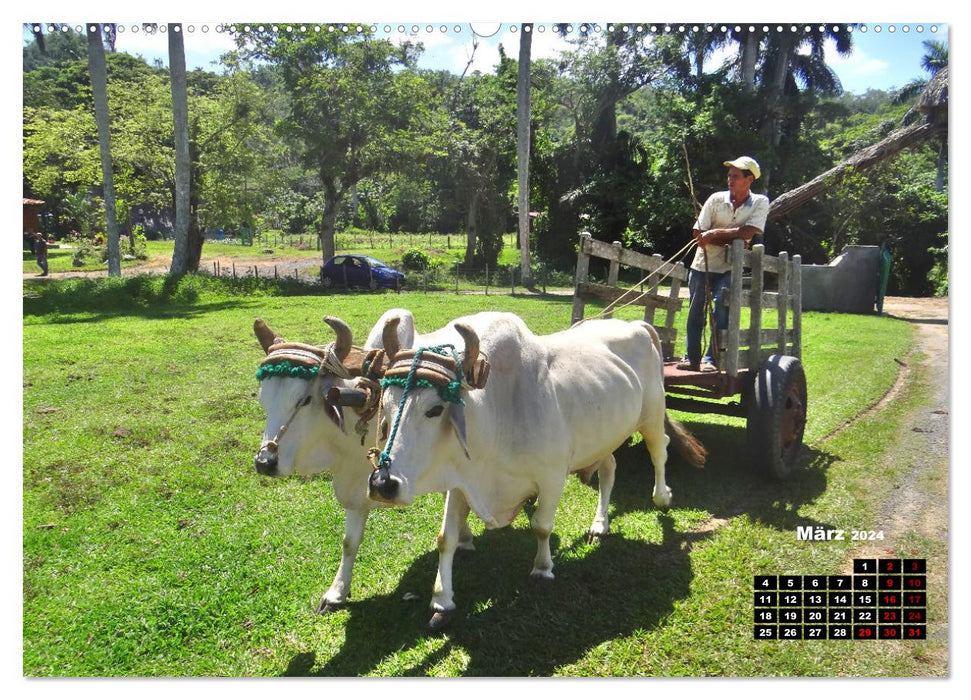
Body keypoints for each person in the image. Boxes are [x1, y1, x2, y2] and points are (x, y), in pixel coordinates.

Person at [677, 156, 769, 372]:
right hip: (702, 265)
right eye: (729, 175)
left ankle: (711, 359)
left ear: (749, 179)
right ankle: (691, 358)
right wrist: (733, 239)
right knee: (695, 311)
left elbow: (748, 233)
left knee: (722, 309)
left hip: (730, 268)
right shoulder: (716, 199)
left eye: (735, 176)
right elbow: (698, 234)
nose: (730, 179)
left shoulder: (759, 202)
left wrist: (715, 234)